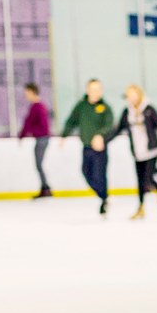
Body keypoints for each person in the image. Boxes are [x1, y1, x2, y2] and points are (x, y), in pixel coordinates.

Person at [109, 85, 157, 220]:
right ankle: (142, 207)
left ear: (139, 95)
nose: (131, 98)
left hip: (151, 149)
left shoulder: (149, 109)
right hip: (137, 151)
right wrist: (105, 140)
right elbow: (119, 129)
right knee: (140, 180)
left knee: (147, 178)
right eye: (128, 96)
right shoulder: (127, 112)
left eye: (133, 95)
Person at [59, 78, 113, 216]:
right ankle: (104, 196)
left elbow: (109, 125)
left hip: (100, 149)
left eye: (98, 89)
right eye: (93, 89)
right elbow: (71, 121)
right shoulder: (81, 106)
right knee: (86, 172)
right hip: (86, 147)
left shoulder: (105, 108)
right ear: (87, 90)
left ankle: (104, 199)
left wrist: (100, 135)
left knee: (99, 175)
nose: (96, 92)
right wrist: (64, 135)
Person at [19, 82, 52, 199]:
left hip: (42, 139)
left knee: (39, 164)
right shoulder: (38, 106)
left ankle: (46, 188)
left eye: (27, 93)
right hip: (42, 138)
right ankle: (45, 187)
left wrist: (23, 134)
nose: (26, 96)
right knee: (39, 164)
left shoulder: (37, 107)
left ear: (32, 92)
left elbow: (30, 123)